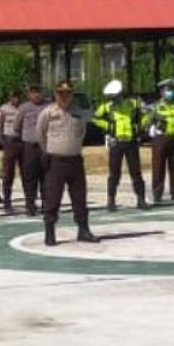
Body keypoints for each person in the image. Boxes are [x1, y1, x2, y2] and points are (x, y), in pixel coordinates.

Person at [38, 81, 98, 246]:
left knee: (79, 197)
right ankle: (50, 232)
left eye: (68, 93)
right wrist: (51, 150)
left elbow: (82, 133)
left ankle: (83, 230)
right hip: (56, 161)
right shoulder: (48, 113)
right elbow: (40, 135)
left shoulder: (78, 113)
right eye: (61, 93)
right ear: (56, 95)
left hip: (75, 160)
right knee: (53, 197)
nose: (65, 97)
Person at [94, 79, 148, 211]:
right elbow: (95, 118)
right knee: (114, 173)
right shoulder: (107, 106)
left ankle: (141, 199)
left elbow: (147, 114)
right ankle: (111, 200)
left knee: (136, 172)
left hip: (131, 141)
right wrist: (107, 126)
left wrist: (140, 126)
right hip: (116, 142)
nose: (113, 98)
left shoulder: (134, 103)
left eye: (115, 95)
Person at [14, 85, 47, 217]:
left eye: (38, 92)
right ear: (29, 95)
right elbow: (17, 126)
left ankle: (46, 204)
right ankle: (30, 205)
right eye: (33, 93)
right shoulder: (24, 108)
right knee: (30, 177)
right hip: (29, 146)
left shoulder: (48, 107)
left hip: (45, 146)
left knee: (45, 176)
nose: (36, 95)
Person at [148, 79, 174, 203]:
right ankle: (157, 194)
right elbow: (148, 121)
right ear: (161, 92)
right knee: (158, 167)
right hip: (160, 139)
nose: (170, 92)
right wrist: (152, 128)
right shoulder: (156, 105)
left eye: (171, 90)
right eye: (167, 90)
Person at [0, 91, 23, 214]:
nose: (15, 99)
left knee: (27, 172)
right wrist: (2, 141)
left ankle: (30, 200)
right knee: (8, 173)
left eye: (17, 96)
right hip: (10, 141)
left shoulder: (24, 108)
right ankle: (7, 201)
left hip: (23, 141)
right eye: (13, 97)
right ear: (10, 97)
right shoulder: (4, 109)